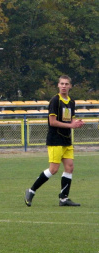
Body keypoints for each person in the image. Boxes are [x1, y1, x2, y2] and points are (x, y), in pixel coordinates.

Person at [25, 75, 84, 207]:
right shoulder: (55, 101)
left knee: (69, 167)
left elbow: (71, 120)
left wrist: (77, 123)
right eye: (61, 84)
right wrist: (70, 125)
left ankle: (63, 199)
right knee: (53, 169)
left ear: (70, 86)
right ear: (58, 85)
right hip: (55, 139)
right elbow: (52, 122)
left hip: (66, 140)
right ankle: (31, 190)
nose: (64, 86)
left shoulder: (71, 102)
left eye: (66, 84)